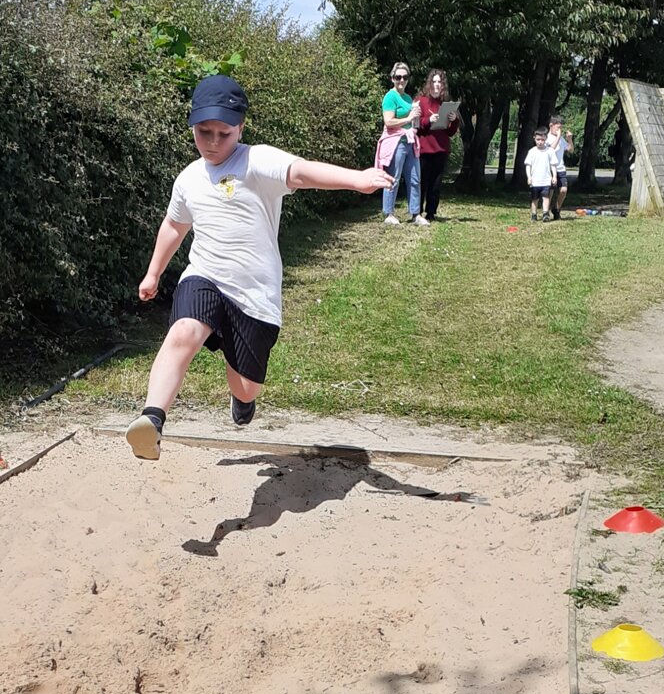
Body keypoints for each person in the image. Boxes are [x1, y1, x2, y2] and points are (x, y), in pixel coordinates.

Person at [125, 74, 393, 460]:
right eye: (204, 132)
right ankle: (152, 420)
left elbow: (301, 172)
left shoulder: (256, 161)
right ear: (192, 126)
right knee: (183, 331)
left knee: (247, 386)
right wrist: (154, 273)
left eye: (224, 133)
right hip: (205, 275)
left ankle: (242, 398)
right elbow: (174, 226)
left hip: (254, 296)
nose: (213, 142)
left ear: (241, 128)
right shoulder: (188, 179)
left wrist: (357, 179)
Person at [374, 62, 422, 225]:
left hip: (410, 141)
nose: (401, 80)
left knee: (415, 178)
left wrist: (415, 119)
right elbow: (388, 121)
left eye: (405, 77)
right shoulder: (390, 97)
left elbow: (412, 121)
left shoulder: (408, 98)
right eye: (398, 77)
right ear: (392, 78)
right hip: (396, 143)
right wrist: (409, 118)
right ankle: (388, 213)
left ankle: (415, 214)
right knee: (393, 178)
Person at [416, 68, 459, 223]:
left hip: (441, 149)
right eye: (434, 81)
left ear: (443, 85)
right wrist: (429, 120)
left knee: (436, 184)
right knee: (422, 182)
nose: (436, 85)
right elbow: (416, 125)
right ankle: (417, 212)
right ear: (429, 83)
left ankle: (431, 212)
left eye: (439, 82)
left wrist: (454, 120)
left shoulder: (445, 104)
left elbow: (450, 132)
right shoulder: (421, 101)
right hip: (424, 150)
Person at [524, 127, 558, 223]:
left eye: (542, 140)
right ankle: (534, 214)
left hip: (546, 180)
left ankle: (545, 214)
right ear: (534, 138)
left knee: (546, 197)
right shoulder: (532, 151)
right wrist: (529, 177)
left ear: (546, 139)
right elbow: (528, 166)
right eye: (538, 139)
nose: (540, 142)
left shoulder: (550, 151)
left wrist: (554, 176)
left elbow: (553, 165)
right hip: (535, 181)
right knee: (535, 199)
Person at [545, 115, 574, 220]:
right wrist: (558, 137)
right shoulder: (546, 138)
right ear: (551, 125)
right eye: (558, 127)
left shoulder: (561, 139)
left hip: (560, 168)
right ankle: (546, 211)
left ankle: (556, 209)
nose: (559, 130)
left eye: (561, 128)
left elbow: (570, 150)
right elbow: (550, 150)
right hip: (550, 169)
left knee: (563, 190)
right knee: (550, 191)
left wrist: (569, 139)